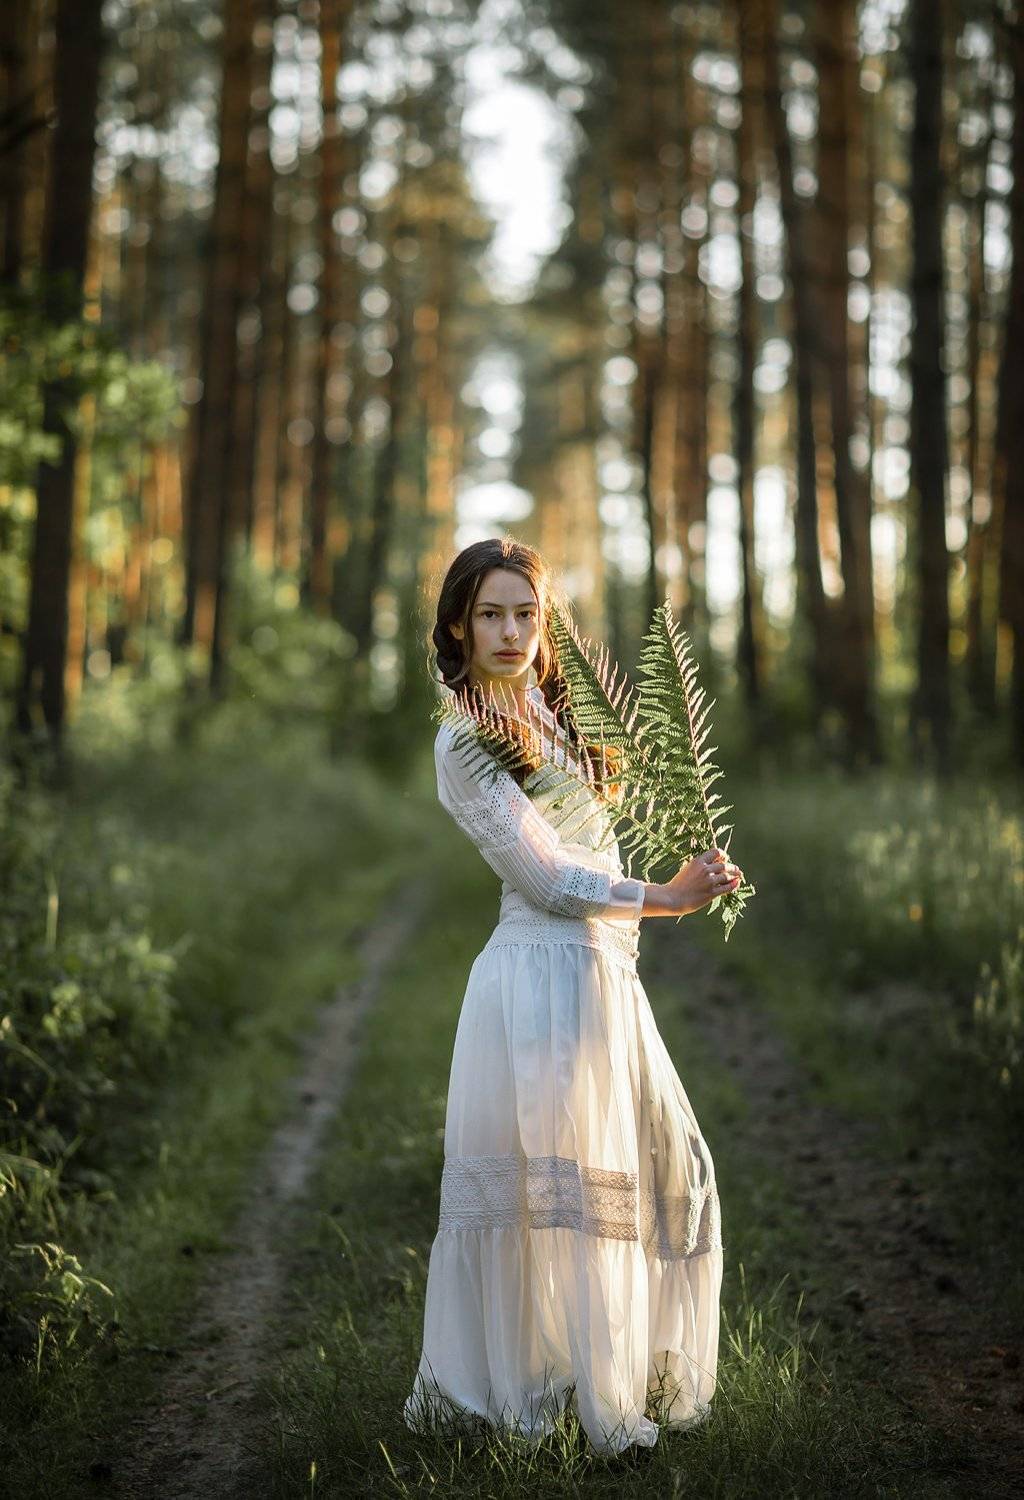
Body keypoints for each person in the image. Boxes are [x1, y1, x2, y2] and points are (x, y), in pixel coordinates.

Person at [403, 536, 744, 1456]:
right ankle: (538, 1401)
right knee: (557, 1200)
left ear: (545, 621)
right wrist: (669, 898)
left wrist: (678, 873)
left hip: (599, 977)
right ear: (458, 627)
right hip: (535, 980)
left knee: (640, 1179)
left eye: (525, 612)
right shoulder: (464, 739)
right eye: (489, 614)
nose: (510, 631)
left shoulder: (558, 717)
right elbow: (550, 879)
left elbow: (602, 850)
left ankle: (606, 1381)